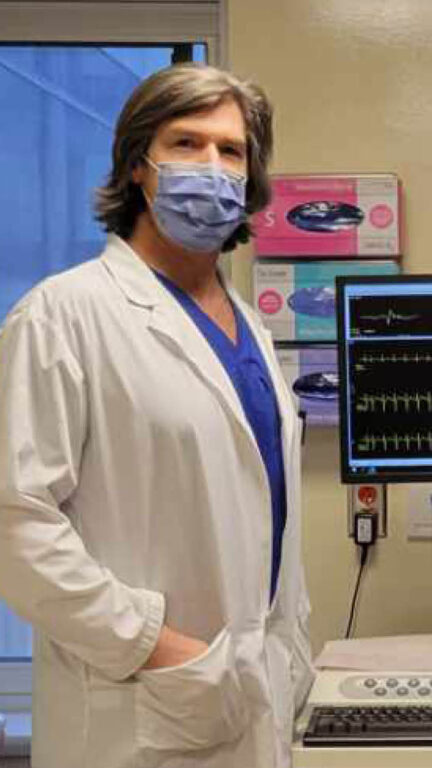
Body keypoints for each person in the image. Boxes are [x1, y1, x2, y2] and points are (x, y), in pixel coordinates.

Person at [0, 63, 314, 768]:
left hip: (247, 695)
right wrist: (158, 645)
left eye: (232, 151)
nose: (212, 166)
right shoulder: (64, 315)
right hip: (141, 709)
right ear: (139, 166)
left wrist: (288, 649)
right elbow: (15, 524)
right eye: (186, 143)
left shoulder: (251, 333)